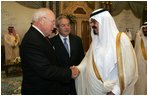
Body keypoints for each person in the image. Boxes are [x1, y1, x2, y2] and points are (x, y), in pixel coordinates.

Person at [74, 9, 138, 95]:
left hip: (112, 91)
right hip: (94, 90)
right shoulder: (95, 41)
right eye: (91, 22)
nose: (92, 25)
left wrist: (115, 91)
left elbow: (129, 69)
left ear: (104, 21)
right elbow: (87, 59)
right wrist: (78, 68)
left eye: (94, 22)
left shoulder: (121, 40)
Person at [20, 8, 79, 95]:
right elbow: (45, 69)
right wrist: (69, 72)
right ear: (43, 21)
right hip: (39, 90)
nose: (54, 26)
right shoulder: (32, 40)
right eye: (53, 22)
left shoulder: (40, 36)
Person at [50, 15, 85, 94]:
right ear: (57, 28)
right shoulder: (51, 42)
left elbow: (82, 59)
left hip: (75, 81)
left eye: (68, 25)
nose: (67, 27)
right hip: (59, 82)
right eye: (63, 25)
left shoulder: (77, 40)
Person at [134, 22, 147, 95]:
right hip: (140, 63)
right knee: (141, 81)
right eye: (144, 28)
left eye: (146, 28)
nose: (145, 30)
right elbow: (136, 49)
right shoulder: (139, 38)